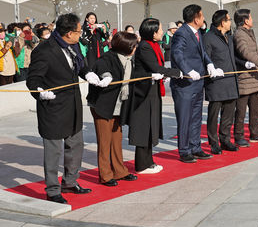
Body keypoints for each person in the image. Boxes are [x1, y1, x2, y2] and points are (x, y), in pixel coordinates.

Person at [27, 13, 107, 203]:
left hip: (73, 105)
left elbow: (79, 66)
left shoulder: (73, 46)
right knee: (53, 151)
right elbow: (33, 79)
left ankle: (70, 182)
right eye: (79, 32)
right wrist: (40, 92)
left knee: (76, 145)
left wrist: (89, 74)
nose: (81, 35)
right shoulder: (44, 50)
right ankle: (53, 190)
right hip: (53, 107)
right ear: (69, 33)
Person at [171, 5, 224, 163]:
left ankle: (195, 147)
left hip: (198, 82)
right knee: (185, 118)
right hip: (185, 84)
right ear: (196, 18)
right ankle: (184, 150)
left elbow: (203, 53)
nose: (203, 19)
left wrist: (210, 64)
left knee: (196, 117)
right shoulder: (181, 33)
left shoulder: (198, 32)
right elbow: (177, 54)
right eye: (201, 16)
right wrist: (187, 70)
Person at [130, 18, 183, 173]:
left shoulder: (153, 45)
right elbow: (155, 67)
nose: (162, 32)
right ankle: (141, 164)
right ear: (153, 33)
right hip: (143, 93)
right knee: (143, 128)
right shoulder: (145, 46)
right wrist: (176, 73)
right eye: (159, 29)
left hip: (152, 90)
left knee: (151, 126)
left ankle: (148, 161)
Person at [86, 31, 138, 186]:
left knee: (116, 138)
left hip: (118, 105)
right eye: (134, 45)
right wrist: (106, 76)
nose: (136, 47)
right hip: (103, 105)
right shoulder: (109, 57)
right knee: (104, 141)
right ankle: (105, 175)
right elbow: (101, 66)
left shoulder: (129, 59)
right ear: (125, 46)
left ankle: (120, 170)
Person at [233, 9, 258, 145]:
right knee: (241, 111)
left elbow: (254, 50)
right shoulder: (239, 34)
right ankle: (239, 136)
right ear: (245, 20)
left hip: (254, 78)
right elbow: (245, 52)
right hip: (245, 79)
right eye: (251, 17)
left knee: (255, 109)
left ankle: (255, 133)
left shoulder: (249, 32)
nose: (252, 20)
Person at [204, 10, 241, 154]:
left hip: (231, 81)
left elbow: (234, 57)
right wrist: (212, 69)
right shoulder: (208, 37)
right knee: (214, 114)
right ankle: (214, 143)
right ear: (222, 22)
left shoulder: (229, 37)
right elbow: (206, 58)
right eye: (229, 19)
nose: (230, 22)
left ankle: (225, 140)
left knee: (228, 114)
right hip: (216, 83)